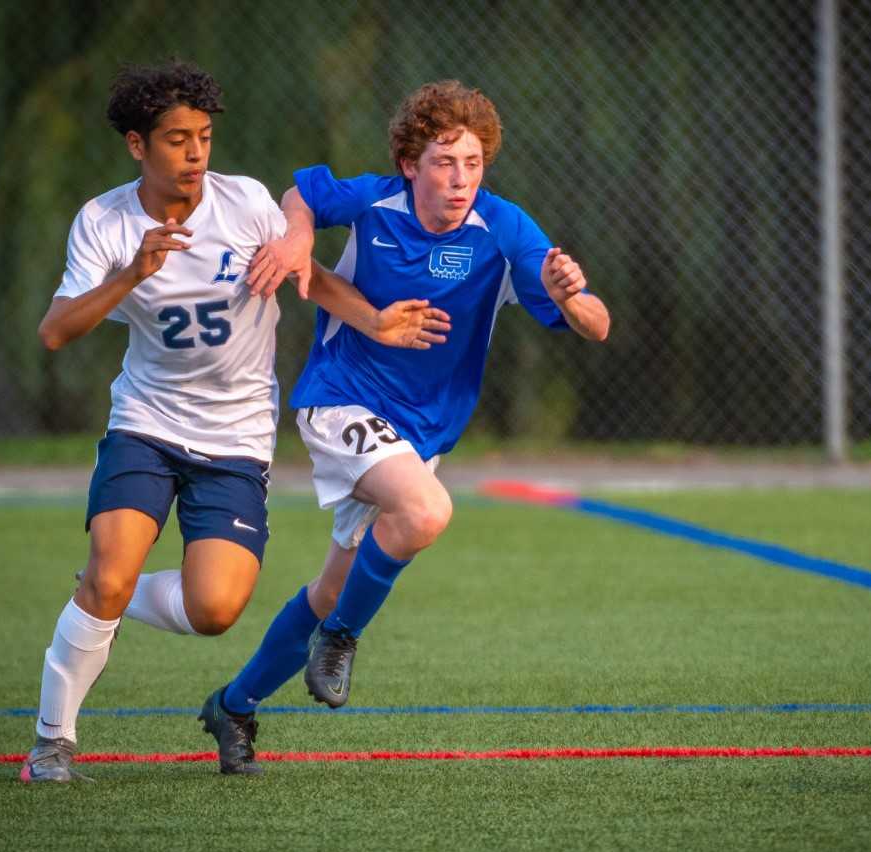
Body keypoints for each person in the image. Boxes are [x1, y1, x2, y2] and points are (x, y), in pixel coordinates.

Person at [20, 61, 450, 784]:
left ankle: (109, 595)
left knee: (215, 608)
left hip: (236, 439)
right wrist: (130, 274)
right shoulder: (104, 221)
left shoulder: (246, 204)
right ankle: (50, 746)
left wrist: (375, 321)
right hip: (147, 423)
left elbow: (309, 275)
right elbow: (56, 330)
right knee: (109, 573)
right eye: (176, 139)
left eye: (205, 137)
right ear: (137, 146)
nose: (194, 154)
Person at [199, 79, 610, 775]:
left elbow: (597, 325)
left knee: (331, 586)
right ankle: (342, 639)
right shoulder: (373, 201)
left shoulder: (502, 227)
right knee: (424, 511)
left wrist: (573, 296)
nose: (460, 179)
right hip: (341, 402)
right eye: (445, 162)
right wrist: (299, 236)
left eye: (473, 164)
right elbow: (302, 195)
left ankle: (233, 705)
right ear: (410, 164)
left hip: (420, 435)